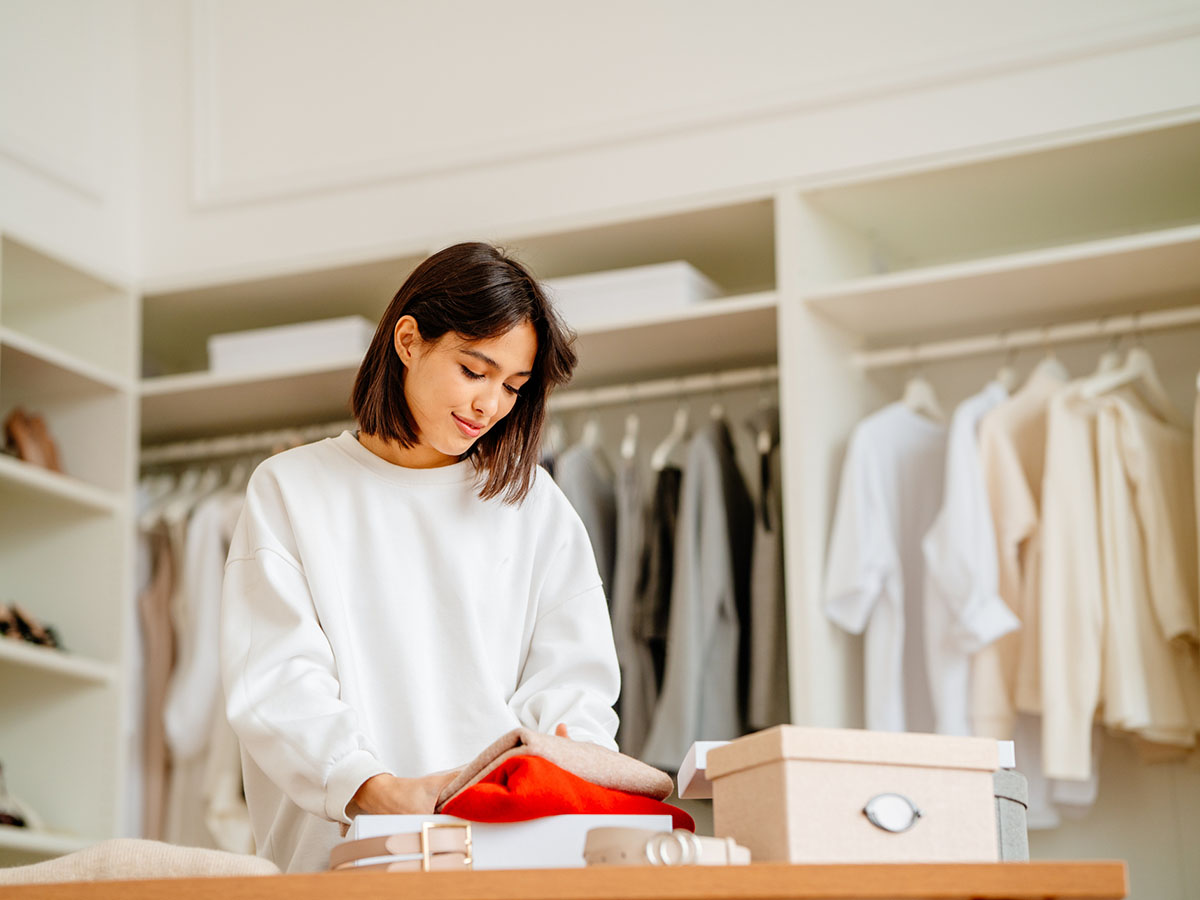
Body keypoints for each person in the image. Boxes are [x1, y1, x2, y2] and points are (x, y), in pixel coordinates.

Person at [219, 242, 620, 873]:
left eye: (513, 386)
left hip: (507, 863)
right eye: (474, 371)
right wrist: (375, 790)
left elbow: (576, 687)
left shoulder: (532, 503)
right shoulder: (291, 489)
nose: (491, 405)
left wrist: (565, 763)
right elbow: (277, 682)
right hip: (342, 863)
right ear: (408, 340)